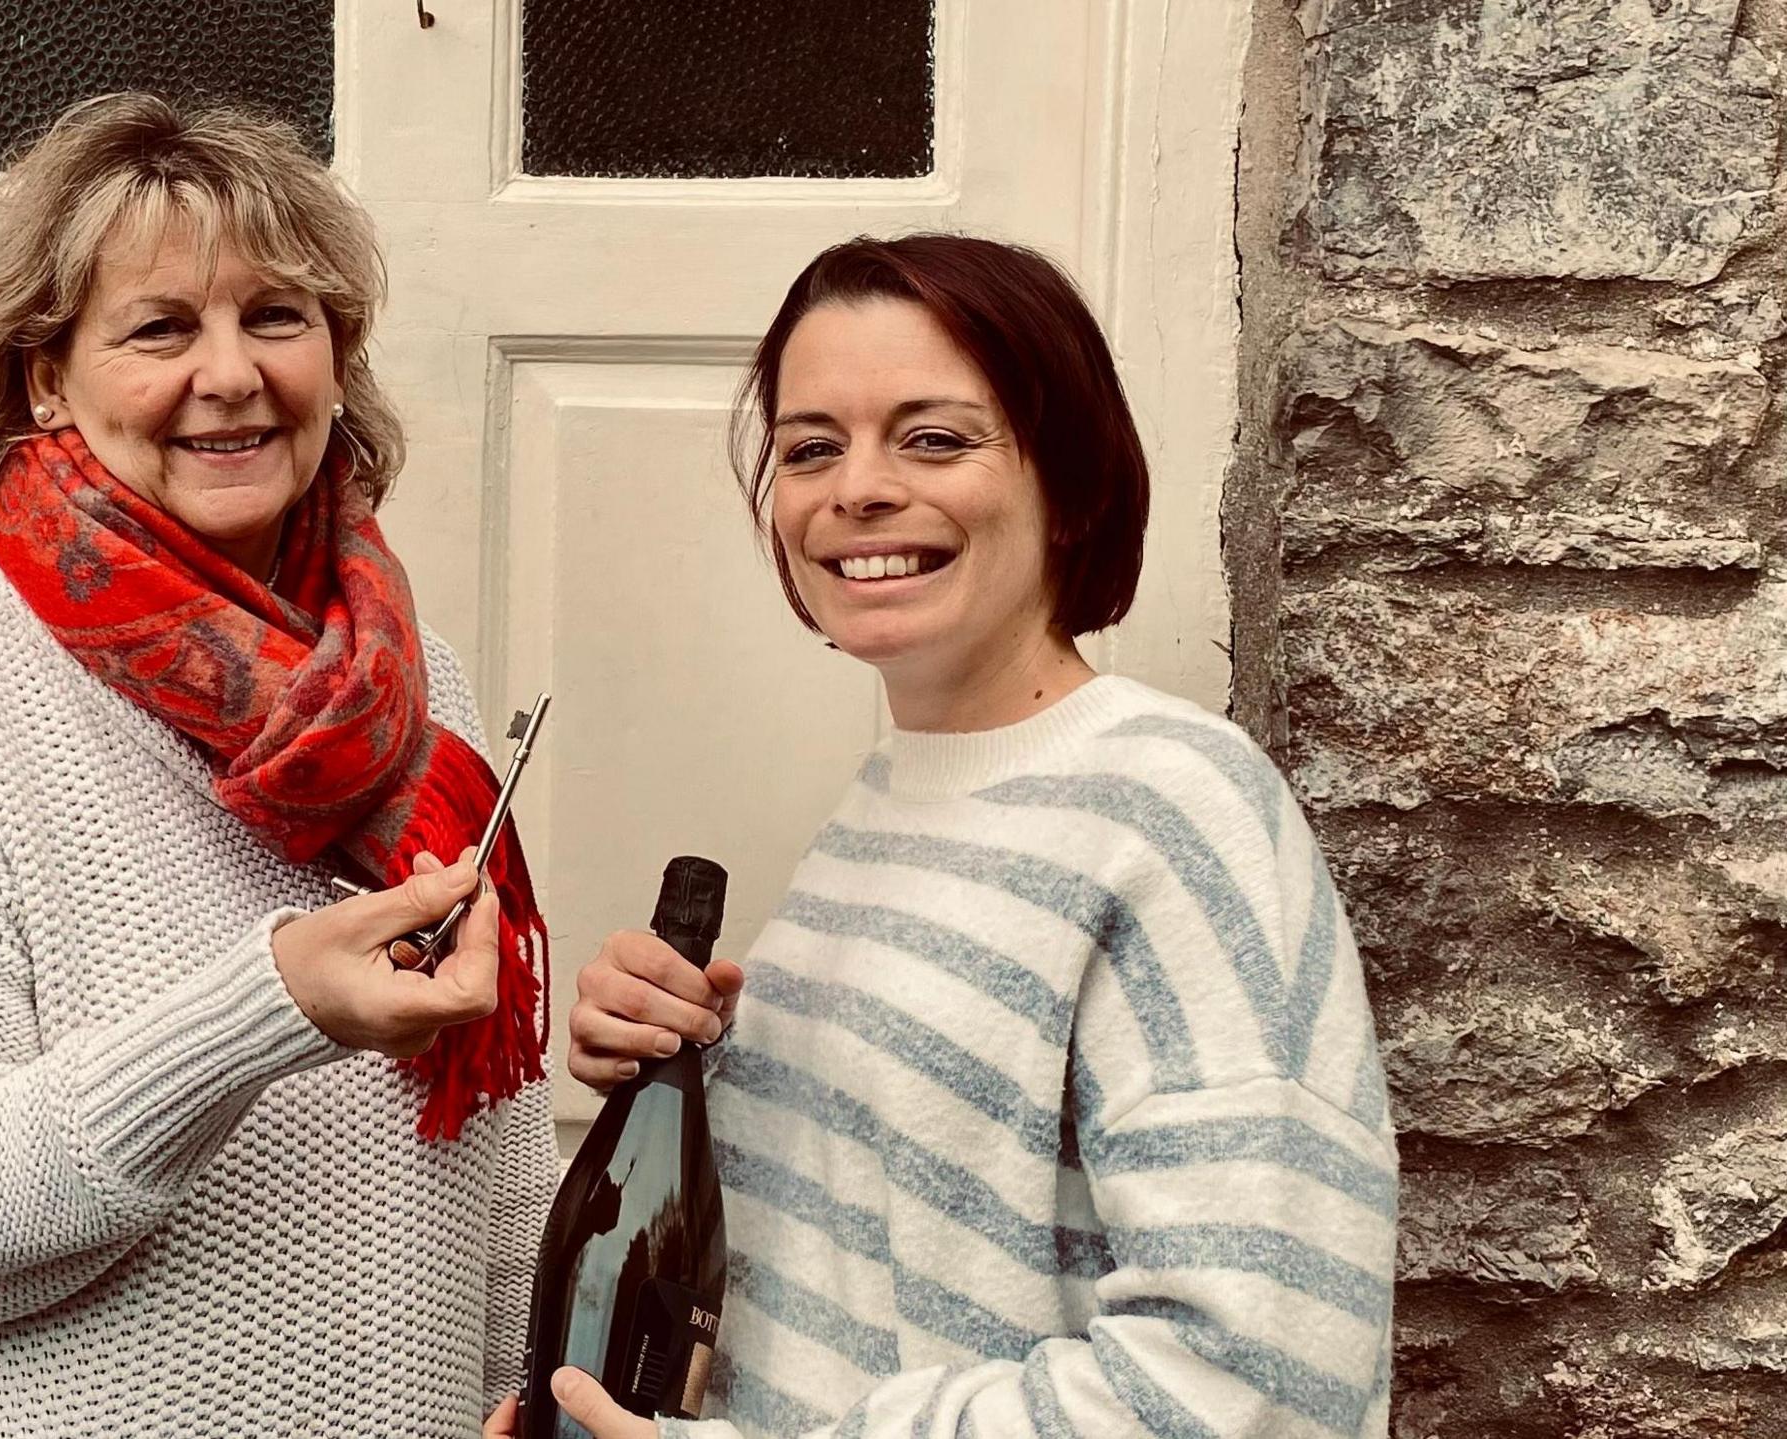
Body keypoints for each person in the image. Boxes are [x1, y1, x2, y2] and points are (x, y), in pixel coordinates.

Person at [499, 235, 1396, 1438]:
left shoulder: (1173, 804)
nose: (855, 487)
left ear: (1068, 484)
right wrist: (687, 1060)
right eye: (812, 446)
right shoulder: (887, 802)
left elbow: (1261, 1379)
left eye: (933, 437)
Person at [0, 93, 559, 1438]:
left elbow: (498, 1133)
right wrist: (267, 1006)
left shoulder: (413, 693)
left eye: (276, 316)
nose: (234, 373)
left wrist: (519, 1385)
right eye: (159, 328)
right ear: (42, 375)